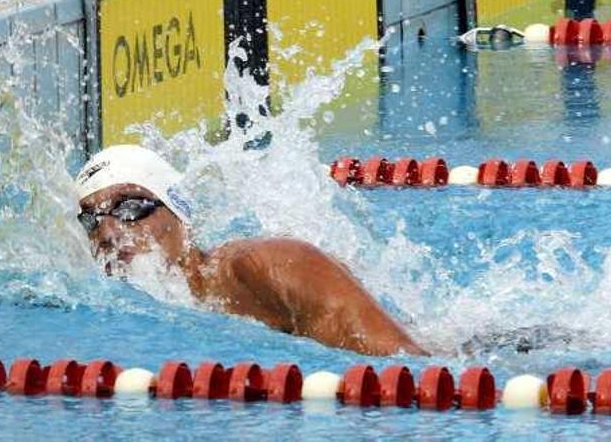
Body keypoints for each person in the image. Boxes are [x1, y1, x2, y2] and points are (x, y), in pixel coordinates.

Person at [75, 144, 427, 357]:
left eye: (130, 207)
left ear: (180, 213)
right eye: (91, 220)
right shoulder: (110, 313)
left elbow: (404, 365)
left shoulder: (271, 265)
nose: (108, 231)